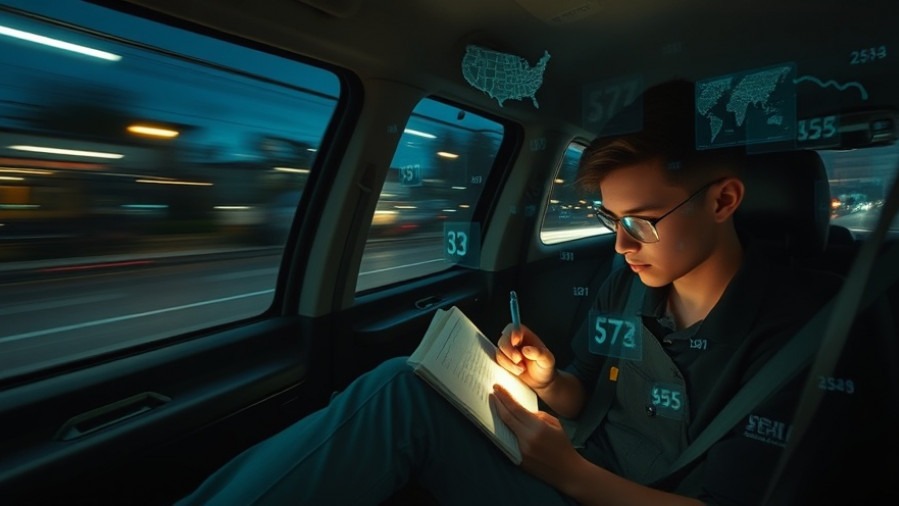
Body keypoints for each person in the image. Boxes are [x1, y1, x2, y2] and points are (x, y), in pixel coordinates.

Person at [175, 80, 852, 505]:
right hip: (576, 464)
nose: (620, 246)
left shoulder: (798, 336)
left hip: (602, 488)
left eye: (641, 221)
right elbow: (590, 389)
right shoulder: (628, 283)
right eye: (608, 220)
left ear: (723, 200)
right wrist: (552, 379)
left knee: (394, 398)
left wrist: (568, 472)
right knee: (404, 385)